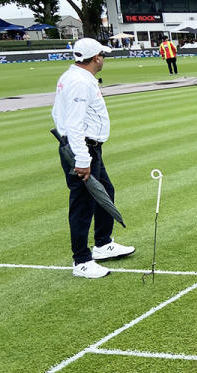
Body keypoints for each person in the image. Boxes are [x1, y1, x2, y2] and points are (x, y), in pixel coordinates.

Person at [52, 38, 135, 278]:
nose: (104, 59)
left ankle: (102, 243)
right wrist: (82, 158)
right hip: (82, 147)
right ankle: (81, 260)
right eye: (102, 55)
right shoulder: (79, 82)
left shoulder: (76, 77)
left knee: (105, 192)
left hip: (88, 147)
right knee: (83, 203)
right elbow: (74, 124)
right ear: (96, 57)